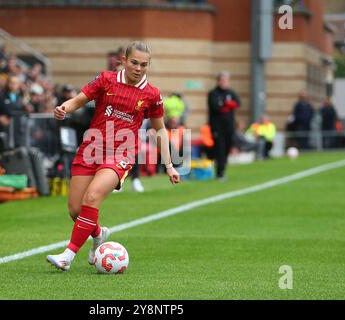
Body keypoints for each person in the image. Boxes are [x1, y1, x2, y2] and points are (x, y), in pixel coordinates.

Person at [46, 41, 180, 271]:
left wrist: (169, 165)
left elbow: (159, 130)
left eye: (144, 65)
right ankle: (98, 233)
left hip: (122, 152)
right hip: (92, 148)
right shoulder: (106, 79)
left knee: (93, 196)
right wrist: (63, 109)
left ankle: (68, 255)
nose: (138, 68)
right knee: (76, 211)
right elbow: (79, 100)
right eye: (134, 62)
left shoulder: (152, 94)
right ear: (124, 60)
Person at [207, 71, 240, 181]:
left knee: (227, 148)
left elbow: (237, 103)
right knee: (219, 149)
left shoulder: (231, 92)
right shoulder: (213, 93)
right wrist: (226, 104)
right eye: (222, 80)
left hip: (229, 126)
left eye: (226, 80)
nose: (224, 82)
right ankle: (219, 172)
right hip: (217, 127)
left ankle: (223, 169)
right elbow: (216, 107)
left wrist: (227, 105)